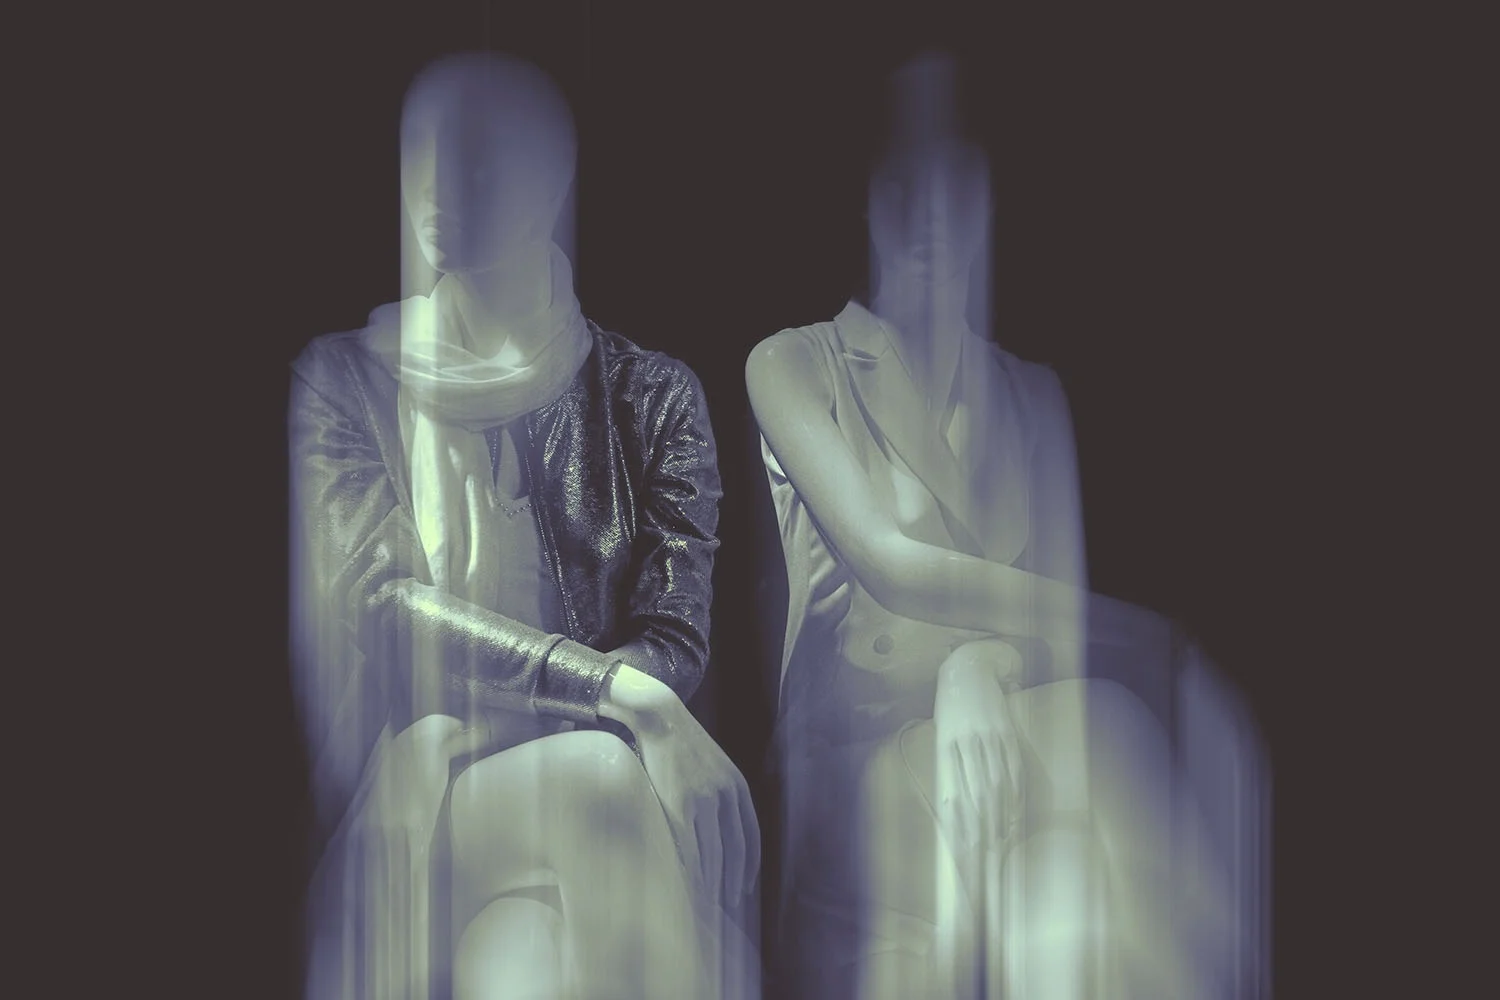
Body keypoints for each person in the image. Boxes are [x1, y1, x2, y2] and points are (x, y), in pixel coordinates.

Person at [747, 53, 1237, 999]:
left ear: (988, 202)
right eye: (903, 187)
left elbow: (1049, 618)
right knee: (1101, 756)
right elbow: (893, 566)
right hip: (859, 772)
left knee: (1075, 873)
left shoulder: (1033, 396)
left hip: (1007, 728)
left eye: (954, 188)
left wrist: (981, 668)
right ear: (868, 201)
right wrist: (1148, 635)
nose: (928, 215)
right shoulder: (796, 365)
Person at [290, 52, 758, 1000]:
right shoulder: (341, 380)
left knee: (521, 962)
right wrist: (628, 699)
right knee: (597, 782)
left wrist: (631, 698)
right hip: (419, 800)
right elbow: (384, 608)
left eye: (476, 153)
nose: (436, 181)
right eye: (420, 149)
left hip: (575, 829)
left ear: (551, 182)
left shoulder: (651, 395)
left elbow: (674, 635)